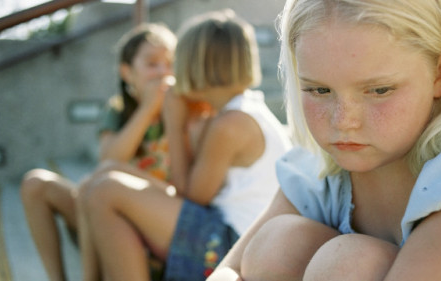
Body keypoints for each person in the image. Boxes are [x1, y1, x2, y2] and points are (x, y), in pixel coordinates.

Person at [208, 0, 441, 280]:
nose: (343, 121)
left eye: (379, 90)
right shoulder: (321, 174)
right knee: (278, 245)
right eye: (319, 90)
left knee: (348, 265)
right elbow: (227, 271)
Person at [78, 9, 292, 281]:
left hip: (235, 245)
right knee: (104, 175)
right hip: (231, 233)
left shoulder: (230, 124)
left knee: (105, 192)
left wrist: (175, 124)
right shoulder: (238, 110)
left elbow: (189, 196)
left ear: (197, 66)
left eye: (177, 61)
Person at [20, 23, 177, 281]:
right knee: (35, 183)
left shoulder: (183, 109)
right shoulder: (118, 110)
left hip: (153, 215)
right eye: (152, 64)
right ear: (127, 73)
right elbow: (110, 159)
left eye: (169, 63)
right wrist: (147, 110)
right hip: (109, 205)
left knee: (96, 189)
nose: (162, 72)